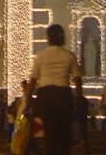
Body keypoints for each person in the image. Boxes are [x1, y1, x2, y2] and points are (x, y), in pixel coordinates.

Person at [29, 23, 81, 155]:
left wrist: (27, 100)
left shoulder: (41, 56)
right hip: (63, 94)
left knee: (49, 133)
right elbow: (77, 79)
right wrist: (78, 98)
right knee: (64, 132)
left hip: (45, 95)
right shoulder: (69, 55)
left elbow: (33, 80)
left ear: (48, 38)